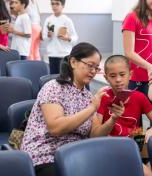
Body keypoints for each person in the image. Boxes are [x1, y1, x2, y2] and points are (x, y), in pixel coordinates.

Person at [20, 42, 106, 176]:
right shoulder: (54, 87)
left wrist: (113, 118)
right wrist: (92, 108)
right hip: (46, 155)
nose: (93, 71)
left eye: (96, 68)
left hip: (76, 154)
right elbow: (56, 128)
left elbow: (94, 135)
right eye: (90, 66)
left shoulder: (88, 97)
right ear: (73, 62)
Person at [91, 55, 152, 176]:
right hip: (110, 148)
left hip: (135, 145)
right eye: (113, 76)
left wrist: (151, 131)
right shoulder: (102, 98)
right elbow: (94, 135)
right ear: (106, 78)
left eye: (122, 74)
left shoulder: (139, 97)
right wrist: (113, 119)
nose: (118, 80)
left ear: (130, 75)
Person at [42, 0, 78, 74]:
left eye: (57, 4)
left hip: (64, 54)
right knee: (54, 78)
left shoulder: (67, 20)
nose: (54, 6)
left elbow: (75, 37)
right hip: (52, 54)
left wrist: (68, 38)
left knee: (65, 78)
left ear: (63, 5)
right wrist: (49, 36)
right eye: (52, 4)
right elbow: (44, 37)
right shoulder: (48, 20)